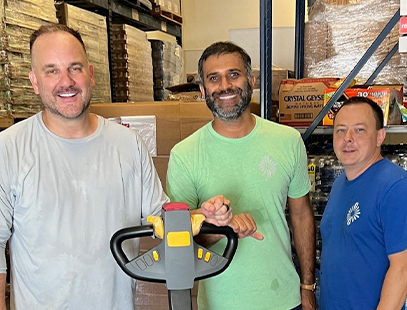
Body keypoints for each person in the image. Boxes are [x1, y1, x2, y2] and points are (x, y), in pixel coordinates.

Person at [0, 24, 233, 310]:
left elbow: (160, 221)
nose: (66, 82)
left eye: (75, 68)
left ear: (91, 74)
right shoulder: (9, 149)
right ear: (34, 81)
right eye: (52, 71)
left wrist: (201, 216)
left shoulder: (128, 145)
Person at [166, 41, 316, 310]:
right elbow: (181, 240)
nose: (224, 85)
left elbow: (302, 214)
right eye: (214, 78)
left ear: (251, 80)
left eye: (233, 74)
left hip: (283, 298)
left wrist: (307, 285)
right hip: (220, 303)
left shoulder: (289, 141)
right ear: (202, 90)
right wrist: (222, 227)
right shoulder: (184, 155)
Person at [319, 96, 407, 310]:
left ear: (380, 137)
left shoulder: (395, 187)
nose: (347, 138)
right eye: (340, 130)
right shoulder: (341, 183)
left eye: (359, 130)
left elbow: (402, 268)